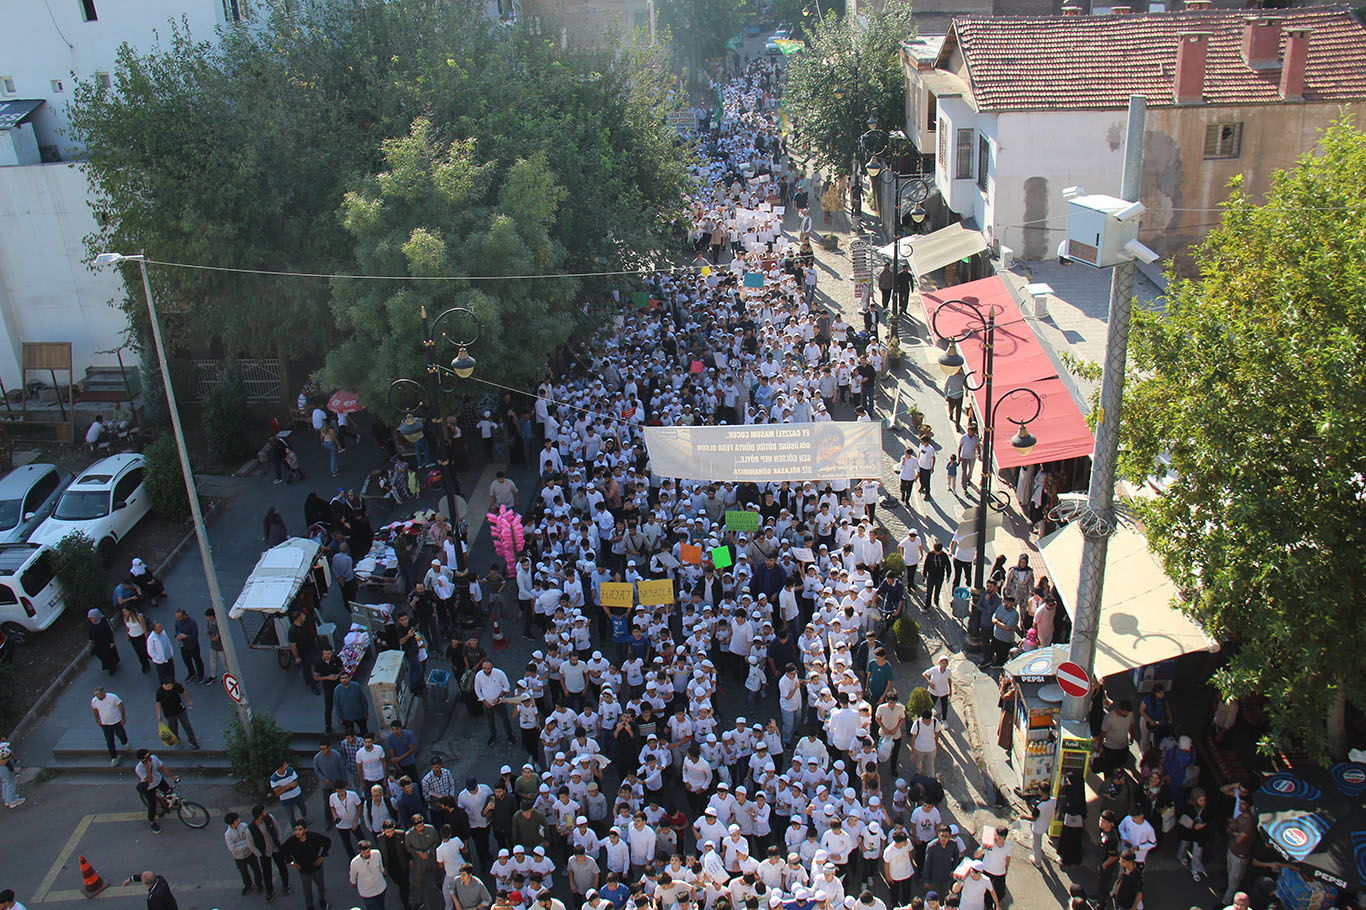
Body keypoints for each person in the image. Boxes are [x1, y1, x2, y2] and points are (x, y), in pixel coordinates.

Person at [280, 819, 331, 910]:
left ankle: (323, 900)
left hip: (317, 868)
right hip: (303, 870)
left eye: (300, 829)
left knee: (321, 886)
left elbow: (327, 841)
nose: (297, 832)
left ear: (305, 830)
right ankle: (309, 905)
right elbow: (283, 852)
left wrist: (322, 856)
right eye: (296, 829)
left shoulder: (314, 837)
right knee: (307, 890)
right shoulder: (291, 841)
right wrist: (292, 863)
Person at [248, 804, 293, 901]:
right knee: (267, 873)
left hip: (276, 849)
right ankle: (270, 891)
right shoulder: (251, 829)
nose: (266, 813)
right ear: (260, 815)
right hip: (264, 853)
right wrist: (260, 853)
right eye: (264, 811)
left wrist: (280, 844)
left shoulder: (270, 819)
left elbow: (278, 831)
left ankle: (286, 885)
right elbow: (251, 844)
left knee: (282, 867)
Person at [473, 660, 516, 745]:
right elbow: (477, 689)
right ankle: (493, 735)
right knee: (490, 721)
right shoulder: (479, 675)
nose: (486, 670)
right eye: (484, 668)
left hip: (500, 702)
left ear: (492, 667)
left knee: (505, 719)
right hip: (488, 704)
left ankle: (509, 734)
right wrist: (484, 702)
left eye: (488, 668)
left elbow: (507, 686)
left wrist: (499, 698)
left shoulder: (499, 673)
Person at [224, 811, 266, 897]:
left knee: (256, 870)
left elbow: (250, 838)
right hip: (239, 858)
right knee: (244, 873)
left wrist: (239, 844)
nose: (239, 820)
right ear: (232, 823)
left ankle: (259, 884)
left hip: (250, 854)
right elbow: (232, 848)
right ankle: (248, 885)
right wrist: (246, 844)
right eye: (237, 820)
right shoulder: (228, 834)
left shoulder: (244, 826)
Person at [154, 679, 200, 750]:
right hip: (169, 712)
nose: (170, 688)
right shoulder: (160, 691)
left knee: (186, 725)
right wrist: (158, 715)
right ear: (164, 685)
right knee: (173, 727)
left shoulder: (177, 686)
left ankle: (192, 740)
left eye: (171, 686)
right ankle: (175, 737)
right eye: (168, 687)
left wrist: (189, 701)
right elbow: (158, 702)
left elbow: (183, 691)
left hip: (180, 709)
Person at [134, 750, 172, 832]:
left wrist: (173, 776)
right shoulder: (139, 769)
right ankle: (152, 822)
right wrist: (147, 769)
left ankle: (168, 803)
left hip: (159, 779)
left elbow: (162, 767)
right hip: (149, 787)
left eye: (149, 755)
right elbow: (149, 780)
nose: (150, 758)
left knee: (169, 792)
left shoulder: (154, 758)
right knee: (152, 806)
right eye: (147, 757)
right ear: (142, 760)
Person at [91, 686, 128, 766]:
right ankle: (114, 757)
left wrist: (122, 717)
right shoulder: (94, 701)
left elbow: (120, 705)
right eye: (97, 695)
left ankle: (124, 743)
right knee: (109, 741)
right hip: (105, 724)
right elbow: (95, 710)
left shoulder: (112, 697)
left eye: (100, 695)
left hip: (116, 721)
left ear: (104, 693)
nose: (98, 697)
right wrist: (98, 720)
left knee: (121, 734)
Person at [348, 840, 388, 910]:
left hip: (381, 887)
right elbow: (353, 876)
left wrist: (384, 872)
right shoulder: (354, 863)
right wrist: (354, 883)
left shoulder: (377, 854)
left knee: (382, 907)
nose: (367, 854)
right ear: (359, 851)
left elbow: (381, 867)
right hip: (367, 893)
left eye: (368, 851)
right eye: (364, 853)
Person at [272, 758, 308, 824]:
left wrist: (282, 788)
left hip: (297, 794)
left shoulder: (290, 770)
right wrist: (288, 786)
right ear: (280, 768)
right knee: (290, 814)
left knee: (303, 808)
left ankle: (305, 820)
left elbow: (295, 784)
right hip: (286, 799)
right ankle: (294, 826)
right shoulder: (274, 778)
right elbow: (277, 792)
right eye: (285, 765)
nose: (287, 765)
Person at [172, 608, 204, 682]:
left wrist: (186, 636)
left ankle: (201, 675)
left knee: (197, 660)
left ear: (184, 615)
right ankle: (191, 673)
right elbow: (177, 631)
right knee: (186, 660)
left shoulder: (192, 622)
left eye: (179, 617)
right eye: (177, 617)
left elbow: (195, 635)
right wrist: (177, 636)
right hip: (183, 645)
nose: (178, 619)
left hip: (193, 645)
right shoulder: (177, 622)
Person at [87, 608, 121, 675]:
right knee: (101, 655)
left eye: (92, 617)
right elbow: (90, 632)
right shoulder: (91, 623)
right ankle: (109, 665)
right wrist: (91, 640)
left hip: (106, 642)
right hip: (98, 643)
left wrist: (111, 642)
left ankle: (112, 666)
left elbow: (110, 632)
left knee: (109, 654)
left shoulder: (104, 621)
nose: (90, 619)